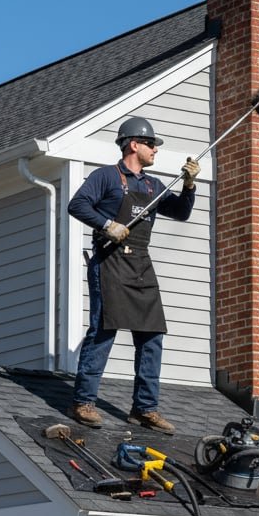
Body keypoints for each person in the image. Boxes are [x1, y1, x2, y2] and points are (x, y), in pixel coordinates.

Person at [68, 116, 200, 434]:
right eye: (151, 144)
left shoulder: (153, 186)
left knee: (152, 336)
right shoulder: (106, 177)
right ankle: (83, 402)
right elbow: (77, 205)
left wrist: (188, 185)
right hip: (110, 262)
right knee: (104, 331)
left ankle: (144, 409)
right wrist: (106, 225)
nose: (155, 149)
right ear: (133, 144)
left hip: (141, 265)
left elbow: (181, 212)